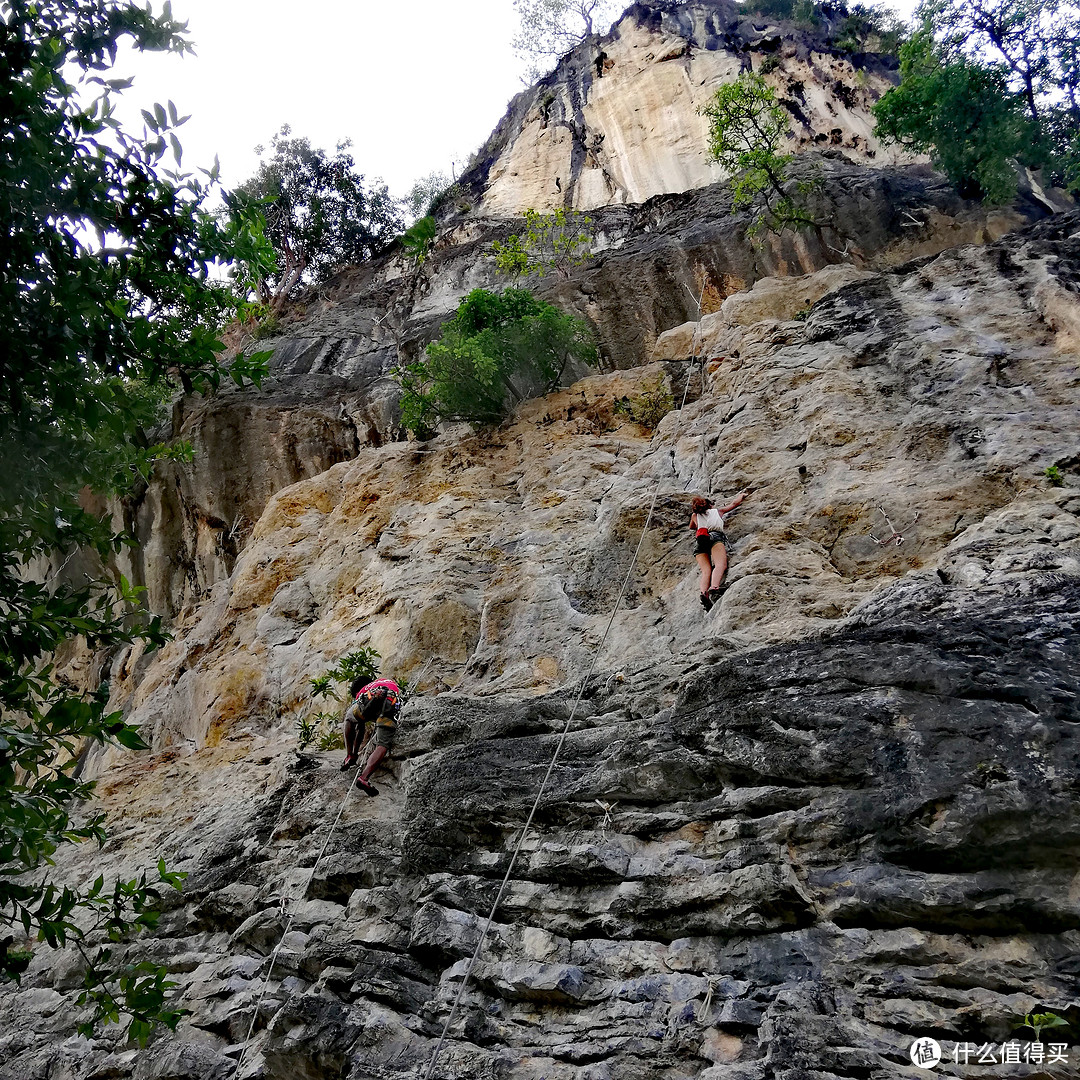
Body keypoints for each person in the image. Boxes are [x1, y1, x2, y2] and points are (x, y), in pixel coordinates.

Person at [340, 677, 401, 795]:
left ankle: (349, 755)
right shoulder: (387, 682)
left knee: (349, 718)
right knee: (382, 745)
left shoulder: (365, 690)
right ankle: (364, 778)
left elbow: (359, 724)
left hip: (370, 699)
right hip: (390, 703)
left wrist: (353, 753)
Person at [691, 490, 749, 611]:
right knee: (720, 565)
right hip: (714, 537)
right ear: (710, 505)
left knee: (706, 571)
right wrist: (741, 496)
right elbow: (734, 504)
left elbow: (692, 526)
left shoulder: (695, 515)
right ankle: (714, 587)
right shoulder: (717, 511)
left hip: (701, 540)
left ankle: (704, 593)